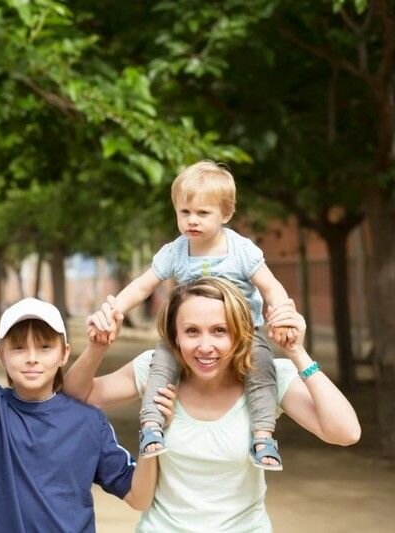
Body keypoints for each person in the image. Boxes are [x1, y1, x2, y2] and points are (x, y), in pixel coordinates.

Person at [67, 277, 360, 532]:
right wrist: (97, 347)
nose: (205, 346)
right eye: (192, 331)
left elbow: (345, 432)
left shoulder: (267, 379)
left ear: (240, 332)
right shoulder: (155, 372)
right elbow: (77, 395)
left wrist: (298, 353)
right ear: (174, 335)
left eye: (220, 330)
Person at [0, 290, 174, 532]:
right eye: (18, 348)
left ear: (64, 353)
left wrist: (151, 430)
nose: (31, 358)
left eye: (44, 347)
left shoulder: (89, 422)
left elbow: (138, 496)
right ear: (0, 355)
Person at [88, 160, 294, 469]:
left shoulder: (241, 250)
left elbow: (270, 286)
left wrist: (281, 311)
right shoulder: (175, 251)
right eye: (184, 212)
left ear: (226, 213)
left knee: (262, 369)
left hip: (244, 331)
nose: (192, 220)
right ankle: (151, 427)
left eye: (202, 213)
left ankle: (263, 436)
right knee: (161, 363)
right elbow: (143, 286)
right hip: (190, 331)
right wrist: (114, 309)